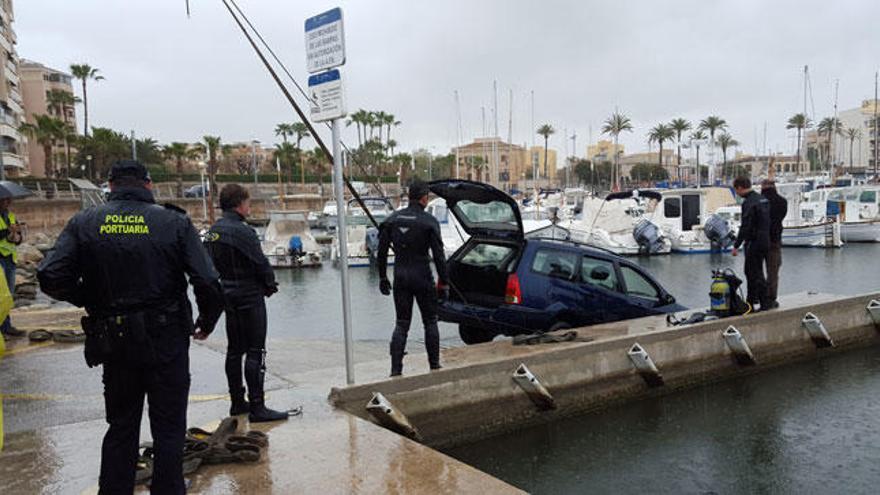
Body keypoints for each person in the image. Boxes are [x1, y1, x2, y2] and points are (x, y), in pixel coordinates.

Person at [37, 160, 224, 494]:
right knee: (168, 427)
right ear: (148, 185)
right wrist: (206, 321)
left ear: (109, 186)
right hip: (166, 339)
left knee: (121, 425)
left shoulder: (86, 222)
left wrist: (88, 297)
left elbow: (51, 275)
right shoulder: (173, 221)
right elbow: (208, 281)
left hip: (115, 340)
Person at [202, 184, 289, 422]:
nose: (250, 207)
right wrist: (270, 284)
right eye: (248, 203)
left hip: (227, 296)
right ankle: (258, 407)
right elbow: (260, 262)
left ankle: (237, 402)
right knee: (255, 351)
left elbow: (206, 269)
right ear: (240, 204)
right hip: (250, 296)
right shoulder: (244, 231)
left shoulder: (212, 231)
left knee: (234, 352)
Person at [376, 180, 448, 376]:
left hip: (400, 277)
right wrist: (445, 283)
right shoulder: (429, 222)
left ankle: (395, 370)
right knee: (430, 322)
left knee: (401, 323)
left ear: (409, 197)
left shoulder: (392, 220)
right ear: (424, 198)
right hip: (423, 276)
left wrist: (382, 277)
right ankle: (434, 365)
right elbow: (439, 257)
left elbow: (381, 253)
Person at [731, 176, 771, 311]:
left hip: (754, 241)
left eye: (735, 190)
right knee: (758, 271)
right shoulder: (763, 199)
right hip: (765, 240)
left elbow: (745, 226)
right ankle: (753, 300)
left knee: (752, 272)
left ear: (740, 188)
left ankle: (760, 302)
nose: (736, 193)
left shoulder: (749, 203)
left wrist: (736, 245)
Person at [761, 179, 788, 309]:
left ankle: (758, 297)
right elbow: (780, 218)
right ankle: (771, 298)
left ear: (763, 187)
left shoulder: (759, 201)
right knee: (773, 271)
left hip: (759, 241)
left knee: (756, 271)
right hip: (775, 240)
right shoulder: (783, 202)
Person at [0, 197, 23, 338]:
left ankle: (6, 326)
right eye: (4, 200)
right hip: (0, 259)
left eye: (9, 200)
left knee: (8, 295)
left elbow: (18, 239)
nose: (8, 203)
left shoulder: (11, 216)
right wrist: (7, 231)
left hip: (10, 260)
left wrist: (16, 235)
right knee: (1, 295)